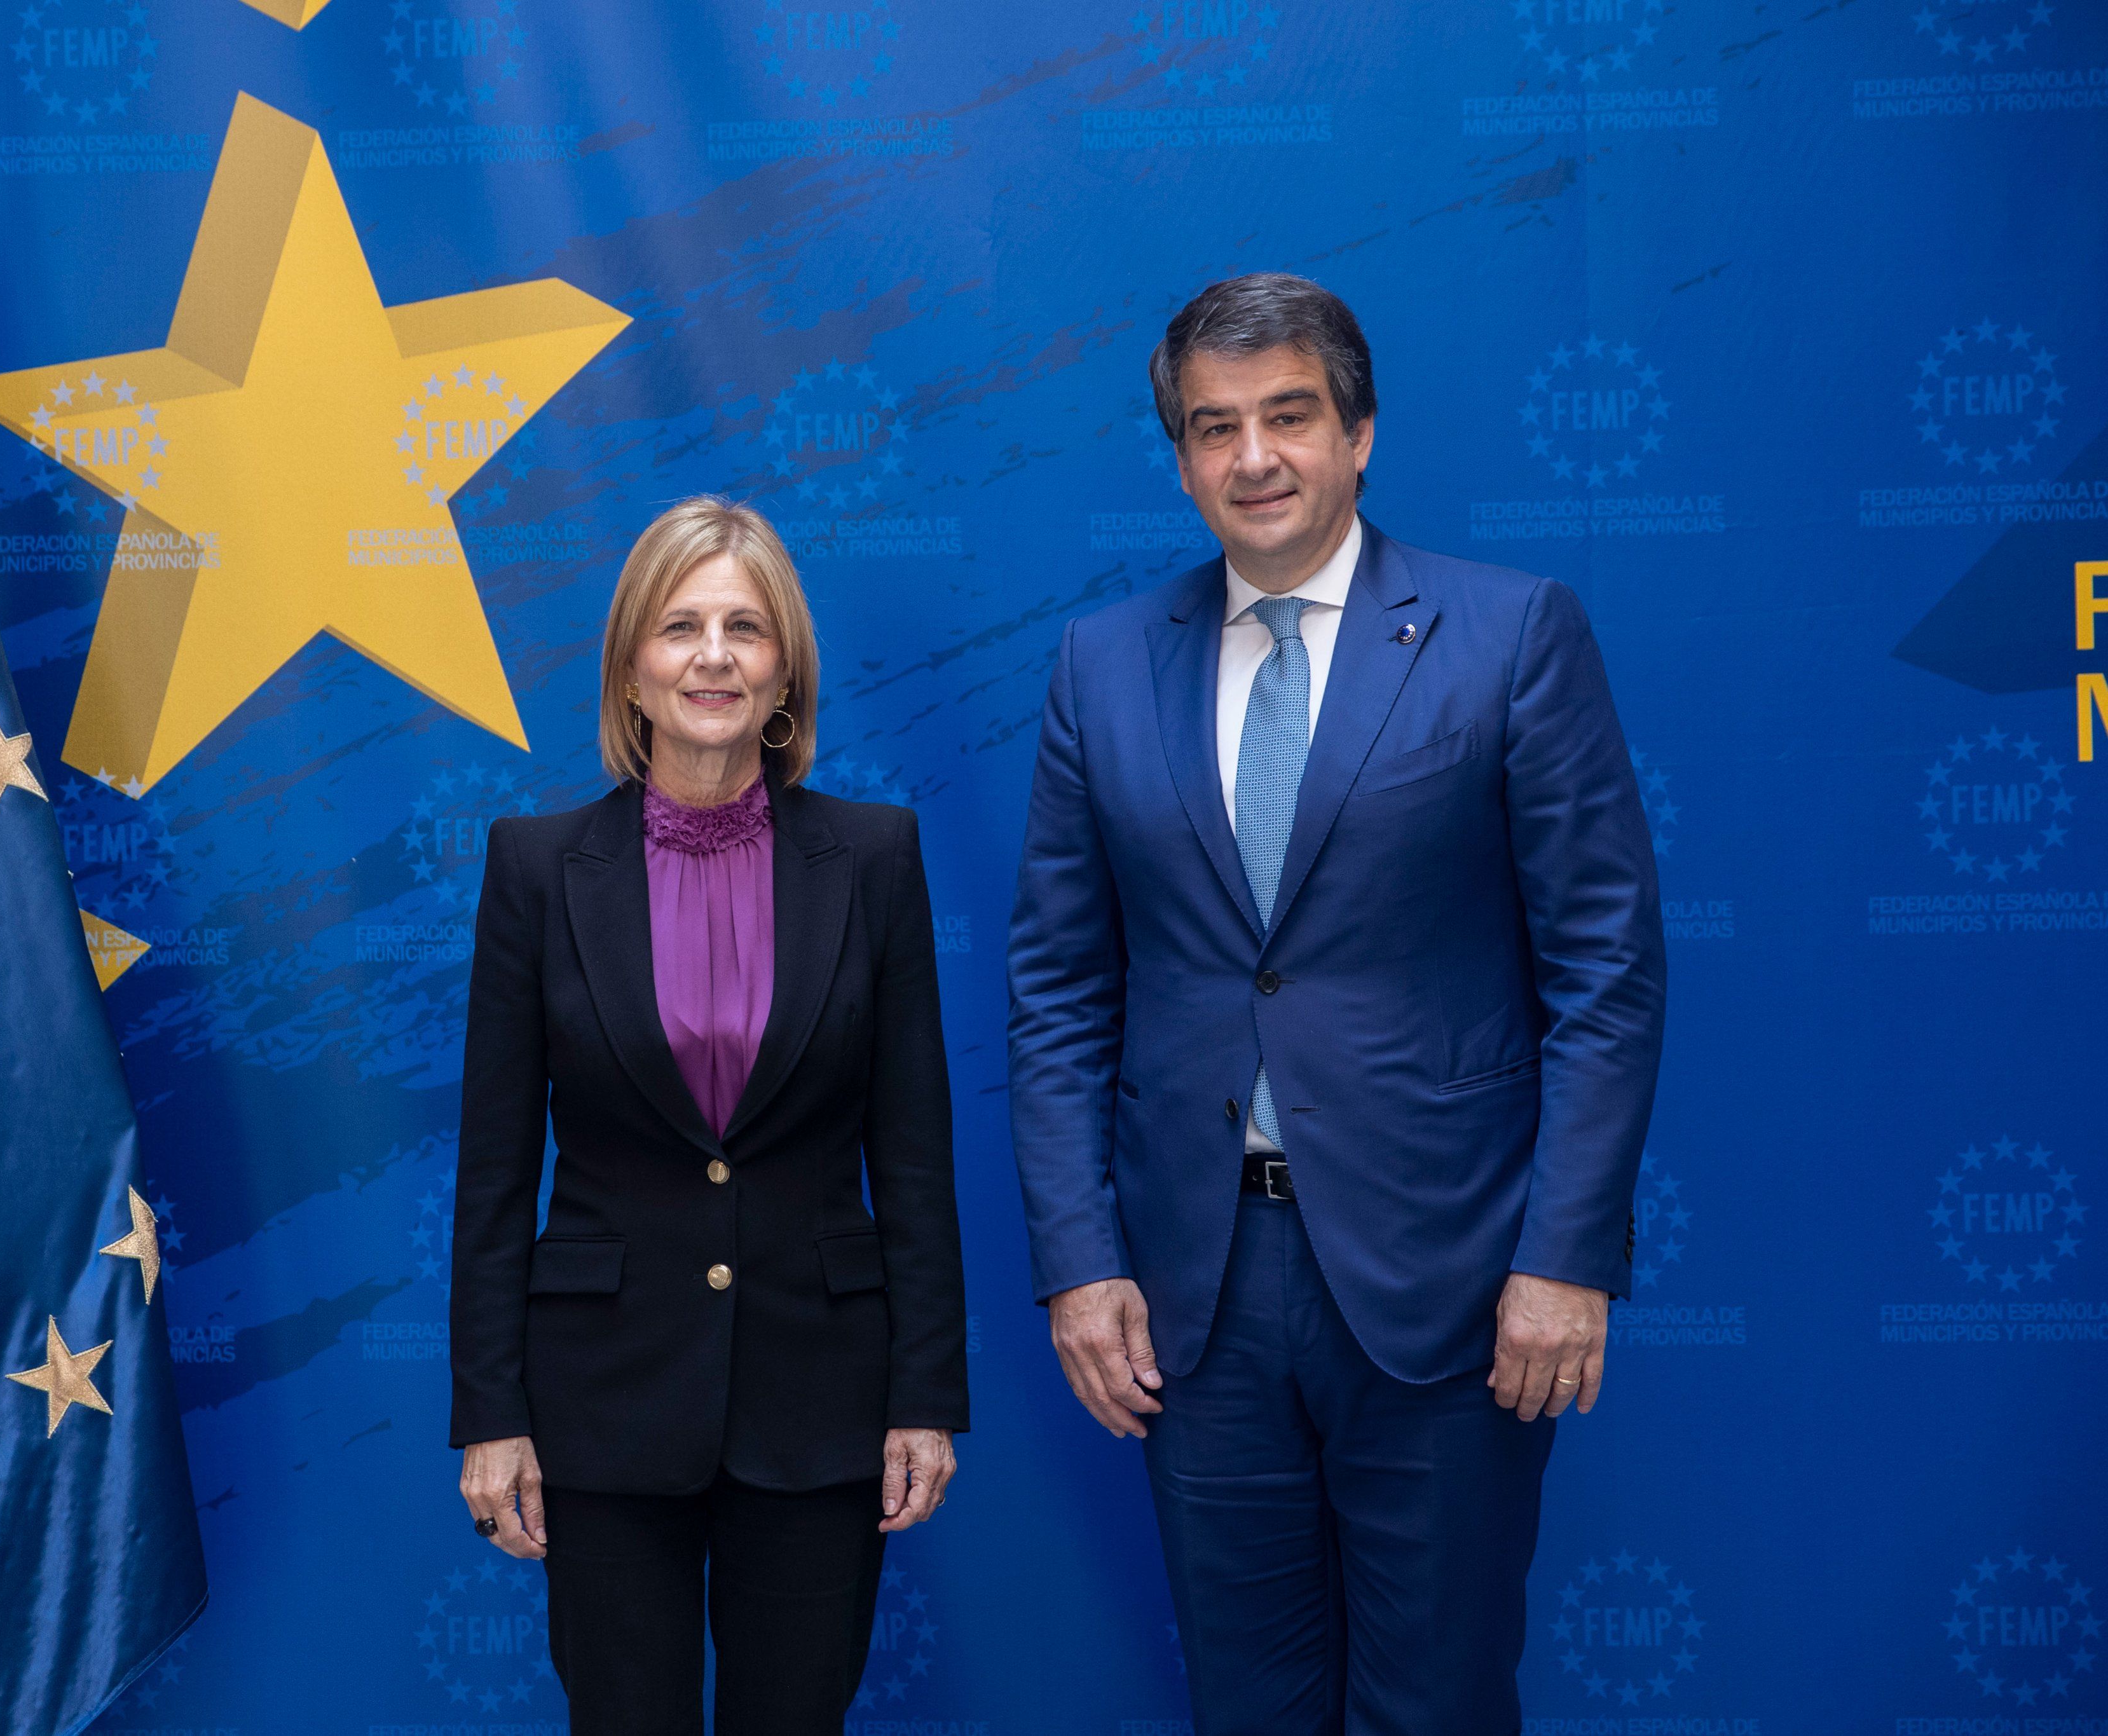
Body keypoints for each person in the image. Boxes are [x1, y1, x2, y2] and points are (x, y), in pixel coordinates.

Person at [1007, 274, 1667, 1733]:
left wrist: (1566, 1256)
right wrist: (1074, 1258)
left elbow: (1605, 973)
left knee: (1431, 1704)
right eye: (1213, 427)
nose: (1253, 458)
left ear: (1359, 432)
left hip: (1451, 1280)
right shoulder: (1098, 667)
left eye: (1288, 416)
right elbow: (1057, 991)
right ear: (1178, 459)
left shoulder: (1510, 635)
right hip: (1193, 1292)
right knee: (1246, 1706)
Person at [451, 495, 969, 1736]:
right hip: (600, 1403)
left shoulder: (875, 857)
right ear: (633, 665)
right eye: (680, 625)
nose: (713, 654)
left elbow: (913, 1153)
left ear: (783, 666)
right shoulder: (534, 867)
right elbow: (490, 1171)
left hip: (820, 1397)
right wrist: (490, 1417)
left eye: (744, 626)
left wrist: (924, 1397)